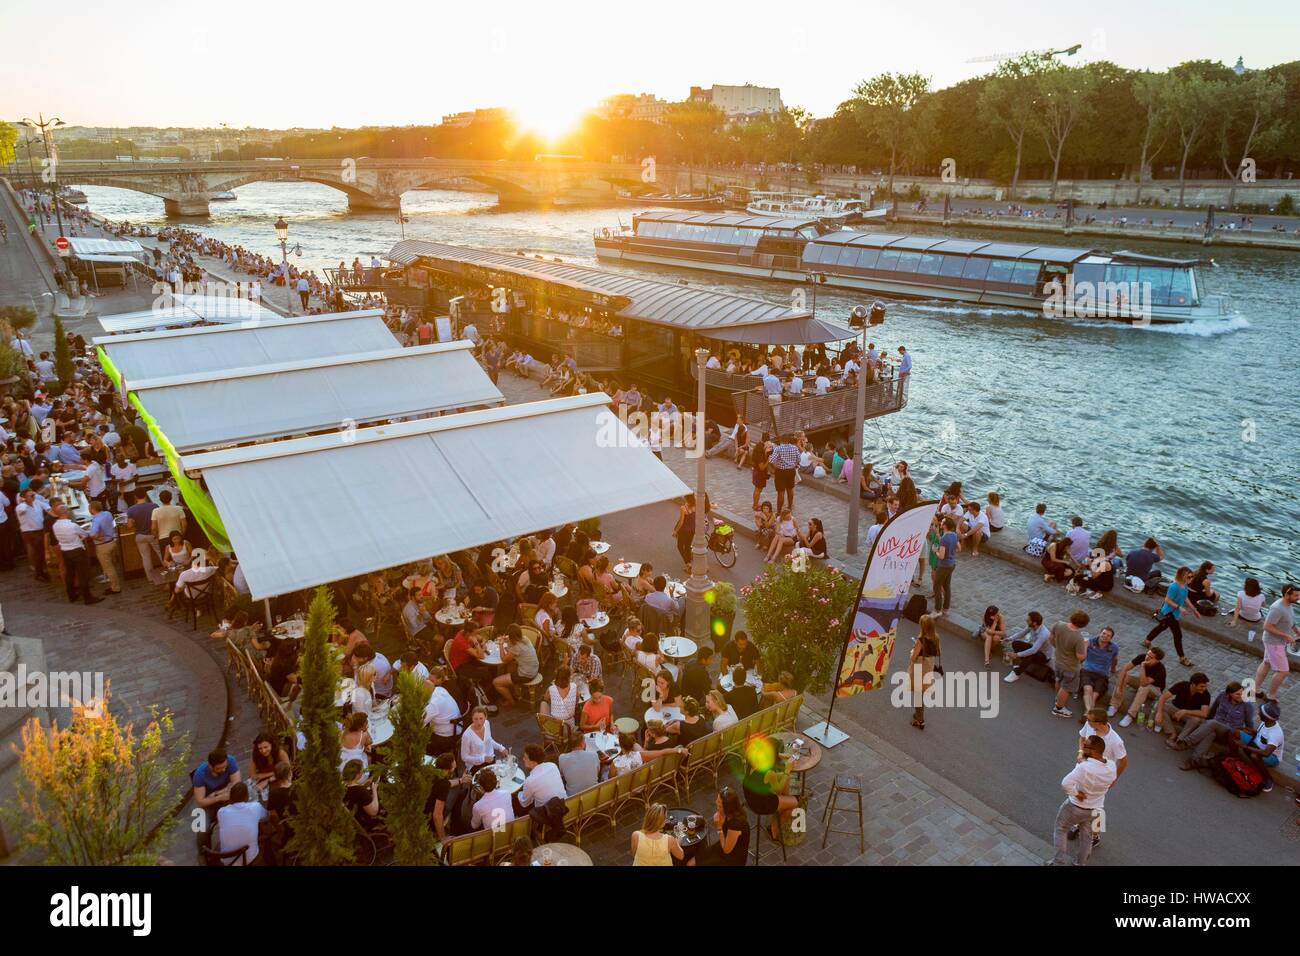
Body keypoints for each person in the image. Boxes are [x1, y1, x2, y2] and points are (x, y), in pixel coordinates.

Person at [1051, 735, 1115, 866]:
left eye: (1085, 746)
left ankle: (1058, 863)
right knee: (1087, 838)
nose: (1082, 747)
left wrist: (1076, 794)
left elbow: (1065, 783)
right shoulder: (1112, 766)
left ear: (1095, 751)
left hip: (1075, 807)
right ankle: (1080, 864)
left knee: (1061, 829)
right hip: (1095, 808)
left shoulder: (1084, 768)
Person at [1178, 681, 1255, 769]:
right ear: (1229, 694)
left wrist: (1247, 739)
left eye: (1243, 693)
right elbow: (1213, 709)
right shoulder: (1222, 695)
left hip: (1229, 732)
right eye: (1237, 694)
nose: (1241, 696)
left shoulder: (1247, 705)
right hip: (1215, 727)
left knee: (1213, 723)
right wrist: (1205, 724)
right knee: (1211, 733)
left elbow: (1249, 724)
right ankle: (1194, 760)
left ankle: (1186, 742)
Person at [1143, 566, 1200, 668]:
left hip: (1174, 613)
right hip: (1170, 613)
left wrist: (1194, 610)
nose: (1191, 579)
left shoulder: (1184, 586)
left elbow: (1185, 598)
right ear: (1182, 576)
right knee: (1178, 635)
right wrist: (1180, 608)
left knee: (1162, 627)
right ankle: (1182, 658)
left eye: (1192, 577)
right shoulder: (1174, 587)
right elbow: (1167, 600)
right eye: (1189, 577)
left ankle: (1147, 641)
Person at [1255, 583, 1300, 702]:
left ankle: (1255, 689)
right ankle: (1271, 696)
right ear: (1287, 594)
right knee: (1283, 672)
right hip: (1274, 643)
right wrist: (1286, 636)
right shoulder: (1277, 608)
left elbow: (1288, 620)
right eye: (1296, 595)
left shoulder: (1288, 605)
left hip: (1276, 642)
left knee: (1266, 663)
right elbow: (1267, 626)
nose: (1298, 598)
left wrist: (1296, 629)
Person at [50, 501, 100, 605]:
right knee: (83, 574)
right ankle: (87, 597)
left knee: (70, 574)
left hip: (65, 550)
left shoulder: (55, 525)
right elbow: (85, 534)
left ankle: (71, 595)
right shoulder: (72, 525)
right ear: (66, 512)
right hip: (77, 550)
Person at [1234, 700, 1284, 792]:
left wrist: (1245, 747)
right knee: (1236, 732)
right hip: (1257, 745)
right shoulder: (1266, 722)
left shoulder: (1275, 733)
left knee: (1255, 755)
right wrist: (1247, 729)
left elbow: (1266, 753)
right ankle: (1234, 757)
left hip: (1272, 757)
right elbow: (1260, 735)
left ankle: (1268, 779)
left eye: (1260, 712)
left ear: (1267, 717)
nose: (1258, 713)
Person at [1112, 647, 1167, 728]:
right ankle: (1114, 705)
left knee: (1144, 687)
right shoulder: (1143, 657)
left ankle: (1130, 715)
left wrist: (1143, 667)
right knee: (1124, 676)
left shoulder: (1160, 670)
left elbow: (1144, 683)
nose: (1147, 657)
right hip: (1144, 682)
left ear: (1157, 660)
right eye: (1148, 654)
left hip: (1155, 691)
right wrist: (1119, 687)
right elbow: (1124, 668)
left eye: (1151, 657)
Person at [215, 783, 267, 865]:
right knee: (265, 834)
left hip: (226, 861)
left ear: (230, 797)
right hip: (249, 859)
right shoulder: (255, 807)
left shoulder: (221, 812)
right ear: (247, 797)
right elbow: (265, 816)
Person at [1050, 611, 1090, 719]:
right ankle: (1058, 708)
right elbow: (1081, 657)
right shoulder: (1078, 638)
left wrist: (1057, 648)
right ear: (1084, 624)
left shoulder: (1058, 624)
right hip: (1070, 667)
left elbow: (1051, 638)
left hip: (1057, 661)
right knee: (1066, 687)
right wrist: (1086, 645)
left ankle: (1058, 699)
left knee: (1058, 679)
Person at [697, 787, 750, 866]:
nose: (716, 803)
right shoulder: (727, 812)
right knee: (696, 860)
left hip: (732, 859)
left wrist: (719, 828)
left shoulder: (736, 825)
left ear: (728, 807)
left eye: (720, 804)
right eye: (717, 800)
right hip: (723, 844)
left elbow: (726, 850)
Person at [1157, 672, 1212, 748]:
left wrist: (1185, 711)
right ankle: (1172, 733)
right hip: (1175, 709)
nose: (1204, 688)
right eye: (1201, 686)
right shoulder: (1182, 685)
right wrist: (1159, 713)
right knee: (1160, 707)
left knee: (1196, 720)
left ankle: (1179, 740)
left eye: (1205, 686)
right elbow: (1163, 697)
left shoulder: (1206, 694)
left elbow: (1204, 713)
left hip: (1190, 715)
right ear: (1193, 684)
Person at [908, 614, 942, 730]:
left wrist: (913, 650)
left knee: (918, 694)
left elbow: (913, 657)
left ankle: (920, 720)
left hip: (919, 668)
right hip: (929, 667)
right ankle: (918, 715)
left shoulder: (921, 640)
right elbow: (938, 653)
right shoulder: (936, 638)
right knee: (921, 692)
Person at [516, 743, 567, 814]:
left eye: (525, 757)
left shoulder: (530, 781)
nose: (523, 759)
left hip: (547, 815)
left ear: (533, 762)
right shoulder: (553, 766)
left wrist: (518, 794)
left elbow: (524, 803)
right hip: (565, 806)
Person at [1079, 626, 1119, 714]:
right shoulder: (1090, 642)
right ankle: (1089, 713)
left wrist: (1113, 669)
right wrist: (1085, 646)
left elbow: (1114, 659)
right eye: (1103, 633)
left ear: (1111, 638)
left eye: (1108, 635)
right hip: (1087, 671)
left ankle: (1087, 713)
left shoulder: (1114, 648)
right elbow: (1081, 658)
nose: (1105, 636)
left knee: (1095, 695)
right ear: (1100, 633)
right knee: (1088, 690)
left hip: (1102, 674)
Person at [1003, 611, 1052, 683]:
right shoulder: (1031, 626)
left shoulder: (1043, 634)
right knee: (1015, 643)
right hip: (1035, 649)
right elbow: (1022, 633)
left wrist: (1016, 655)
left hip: (1043, 656)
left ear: (1034, 623)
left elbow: (1033, 650)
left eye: (1028, 619)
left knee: (1031, 655)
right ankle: (1022, 664)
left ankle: (1016, 673)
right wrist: (1010, 638)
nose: (1026, 620)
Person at [192, 748, 242, 815]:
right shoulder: (200, 775)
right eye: (219, 768)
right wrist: (219, 797)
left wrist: (217, 793)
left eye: (225, 767)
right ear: (210, 766)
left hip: (225, 794)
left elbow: (237, 783)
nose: (224, 770)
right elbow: (201, 802)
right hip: (212, 802)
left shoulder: (230, 760)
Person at [461, 706, 507, 772]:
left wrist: (501, 748)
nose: (479, 722)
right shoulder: (467, 735)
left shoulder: (487, 723)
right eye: (475, 719)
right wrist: (483, 759)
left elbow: (489, 740)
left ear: (486, 717)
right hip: (475, 765)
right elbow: (464, 757)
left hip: (490, 759)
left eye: (481, 718)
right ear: (472, 719)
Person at [342, 760, 382, 830]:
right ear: (357, 774)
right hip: (361, 827)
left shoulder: (341, 788)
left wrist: (364, 785)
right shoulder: (360, 791)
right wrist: (374, 789)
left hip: (346, 824)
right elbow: (373, 811)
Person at [931, 516, 958, 616]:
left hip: (943, 566)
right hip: (952, 564)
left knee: (936, 586)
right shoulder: (954, 535)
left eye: (942, 522)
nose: (941, 522)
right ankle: (946, 608)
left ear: (945, 525)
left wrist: (935, 551)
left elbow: (941, 556)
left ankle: (937, 610)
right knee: (947, 586)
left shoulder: (944, 539)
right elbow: (958, 548)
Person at [768, 435, 799, 514]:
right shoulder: (794, 448)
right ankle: (789, 506)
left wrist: (773, 468)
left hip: (781, 471)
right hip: (791, 470)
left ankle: (779, 511)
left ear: (781, 440)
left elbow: (771, 460)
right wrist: (793, 465)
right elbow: (799, 459)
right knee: (790, 489)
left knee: (781, 492)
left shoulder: (778, 448)